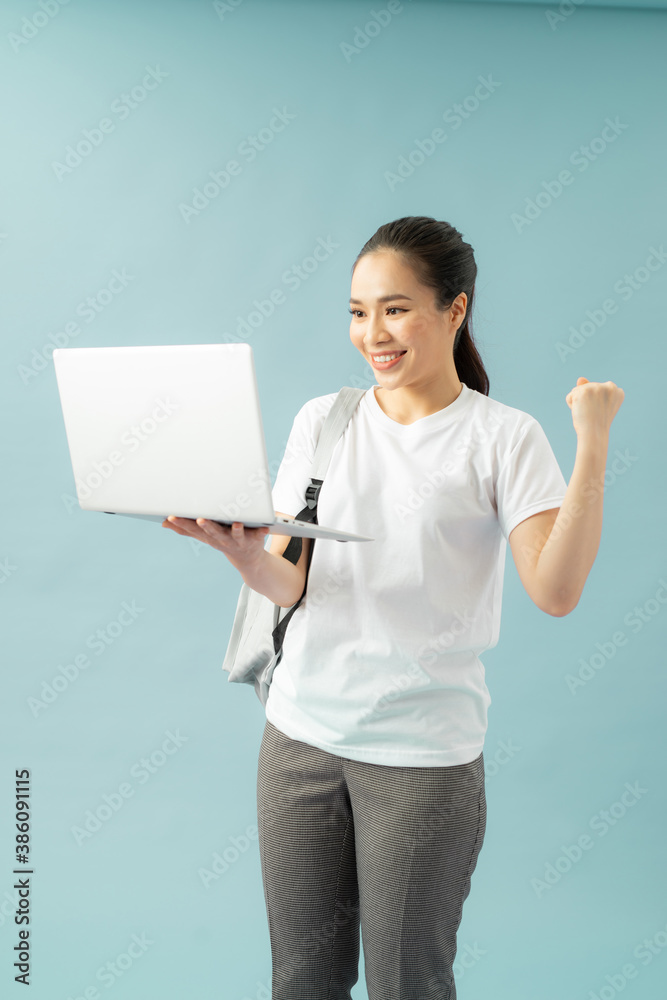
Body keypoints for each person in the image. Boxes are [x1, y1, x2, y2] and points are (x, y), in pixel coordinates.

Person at [162, 216, 624, 1000]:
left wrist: (593, 441)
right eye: (356, 311)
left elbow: (554, 591)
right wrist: (240, 552)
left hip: (420, 756)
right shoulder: (325, 420)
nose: (372, 332)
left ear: (454, 309)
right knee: (301, 978)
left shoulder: (502, 439)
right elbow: (289, 584)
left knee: (407, 983)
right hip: (299, 737)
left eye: (395, 308)